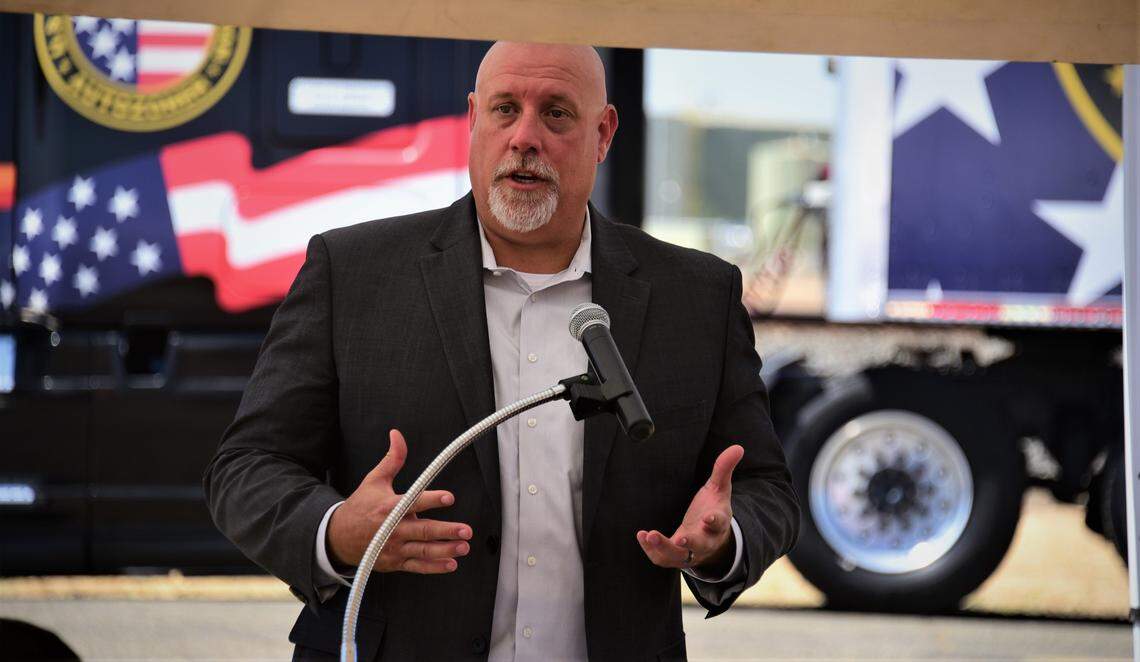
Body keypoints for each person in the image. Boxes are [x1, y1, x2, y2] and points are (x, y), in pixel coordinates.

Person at [204, 42, 799, 661]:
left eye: (557, 114)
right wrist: (336, 533)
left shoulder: (696, 296)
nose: (524, 138)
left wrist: (724, 540)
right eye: (505, 109)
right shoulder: (353, 273)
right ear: (473, 119)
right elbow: (246, 468)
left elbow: (764, 488)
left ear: (603, 133)